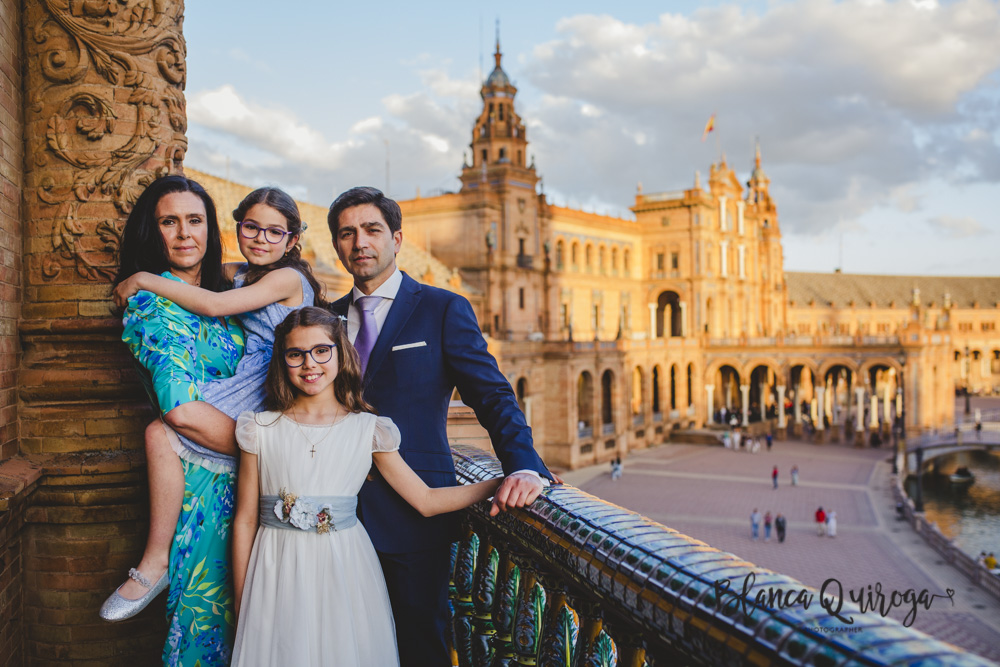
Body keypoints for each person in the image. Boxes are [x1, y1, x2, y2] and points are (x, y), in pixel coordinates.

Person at [326, 187, 553, 665]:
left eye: (372, 230)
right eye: (347, 233)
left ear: (397, 238)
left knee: (421, 645)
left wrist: (524, 466)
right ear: (336, 245)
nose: (359, 242)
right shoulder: (324, 322)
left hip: (413, 516)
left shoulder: (441, 308)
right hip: (333, 513)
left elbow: (491, 394)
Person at [230, 308, 501, 666]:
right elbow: (246, 520)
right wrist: (241, 602)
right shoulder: (259, 428)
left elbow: (426, 500)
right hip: (276, 569)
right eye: (295, 354)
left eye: (321, 350)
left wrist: (500, 482)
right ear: (283, 361)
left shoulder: (368, 429)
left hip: (345, 568)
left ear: (340, 354)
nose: (309, 363)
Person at [102, 188, 323, 624]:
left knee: (162, 434)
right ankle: (157, 560)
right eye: (251, 227)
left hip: (269, 382)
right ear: (236, 227)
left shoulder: (286, 279)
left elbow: (216, 303)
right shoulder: (241, 273)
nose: (261, 238)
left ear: (293, 240)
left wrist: (142, 278)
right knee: (160, 434)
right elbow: (204, 278)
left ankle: (157, 562)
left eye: (275, 231)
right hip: (245, 381)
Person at [103, 176, 245, 665]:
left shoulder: (229, 298)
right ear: (153, 231)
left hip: (256, 487)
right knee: (208, 630)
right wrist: (283, 452)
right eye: (170, 221)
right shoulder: (151, 304)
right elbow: (180, 411)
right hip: (205, 486)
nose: (184, 233)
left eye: (195, 220)